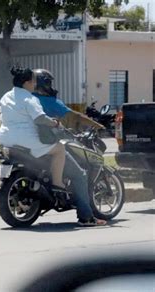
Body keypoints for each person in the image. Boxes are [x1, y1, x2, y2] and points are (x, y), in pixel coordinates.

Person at [32, 68, 106, 226]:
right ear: (44, 84)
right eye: (49, 82)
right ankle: (86, 217)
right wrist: (97, 125)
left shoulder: (27, 99)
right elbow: (75, 116)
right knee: (80, 175)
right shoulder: (50, 102)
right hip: (47, 143)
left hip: (26, 145)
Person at [0, 67, 67, 192]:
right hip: (26, 139)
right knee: (60, 149)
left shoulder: (5, 97)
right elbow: (40, 119)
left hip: (5, 138)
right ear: (27, 83)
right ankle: (58, 183)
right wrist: (55, 123)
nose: (35, 85)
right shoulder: (29, 99)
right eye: (34, 81)